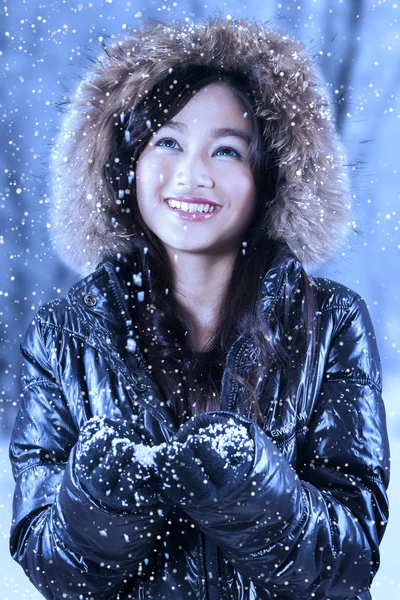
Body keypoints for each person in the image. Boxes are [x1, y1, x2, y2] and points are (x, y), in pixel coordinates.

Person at [9, 14, 390, 600]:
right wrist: (99, 501)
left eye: (227, 151)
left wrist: (250, 485)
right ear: (125, 164)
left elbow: (349, 563)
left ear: (270, 176)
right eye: (167, 142)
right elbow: (50, 566)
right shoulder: (64, 336)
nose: (191, 175)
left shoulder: (332, 322)